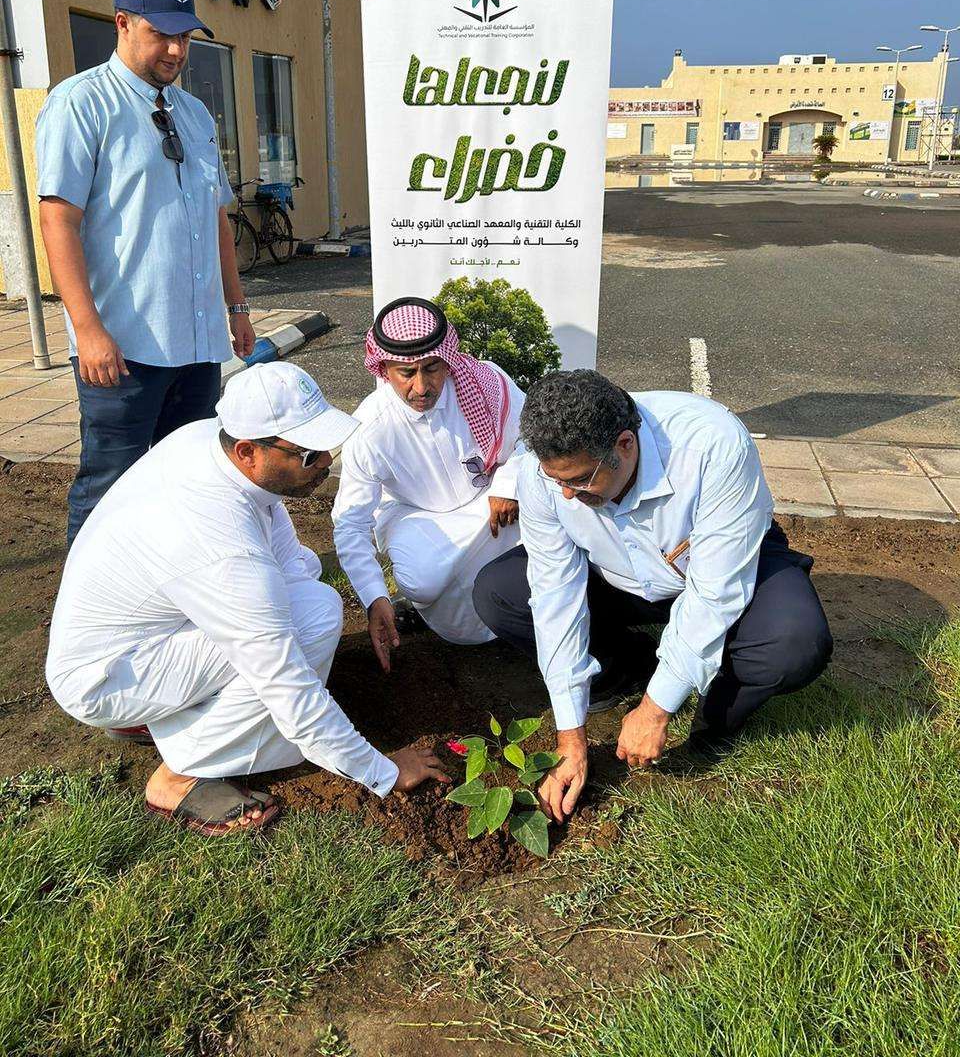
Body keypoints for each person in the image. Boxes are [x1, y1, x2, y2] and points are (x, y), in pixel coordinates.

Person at [45, 362, 447, 837]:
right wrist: (383, 770)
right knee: (311, 621)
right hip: (107, 677)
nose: (324, 463)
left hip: (141, 641)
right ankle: (183, 772)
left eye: (326, 449)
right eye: (308, 455)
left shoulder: (212, 445)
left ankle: (161, 717)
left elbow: (288, 558)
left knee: (308, 600)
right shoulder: (217, 545)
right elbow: (285, 682)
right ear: (247, 451)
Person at [473, 370, 832, 824]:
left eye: (582, 480)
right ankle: (625, 669)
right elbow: (554, 595)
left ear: (625, 444)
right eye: (556, 480)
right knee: (500, 592)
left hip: (720, 566)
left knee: (795, 643)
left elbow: (716, 592)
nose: (566, 493)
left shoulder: (712, 445)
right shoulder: (546, 475)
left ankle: (715, 714)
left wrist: (657, 708)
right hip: (618, 573)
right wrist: (571, 736)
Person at [36, 0, 256, 547]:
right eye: (161, 34)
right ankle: (91, 619)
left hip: (198, 342)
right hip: (125, 345)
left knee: (192, 478)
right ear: (122, 23)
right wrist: (88, 330)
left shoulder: (195, 114)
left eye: (183, 36)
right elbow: (57, 221)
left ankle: (172, 594)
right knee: (112, 485)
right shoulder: (81, 104)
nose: (176, 49)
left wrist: (236, 307)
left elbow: (216, 219)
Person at [332, 297, 525, 668]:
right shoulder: (370, 429)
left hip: (491, 499)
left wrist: (509, 483)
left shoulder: (484, 382)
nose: (421, 387)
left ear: (448, 359)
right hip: (416, 514)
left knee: (548, 501)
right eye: (407, 373)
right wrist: (375, 597)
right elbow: (350, 523)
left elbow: (535, 437)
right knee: (422, 580)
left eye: (432, 368)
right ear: (384, 368)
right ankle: (430, 607)